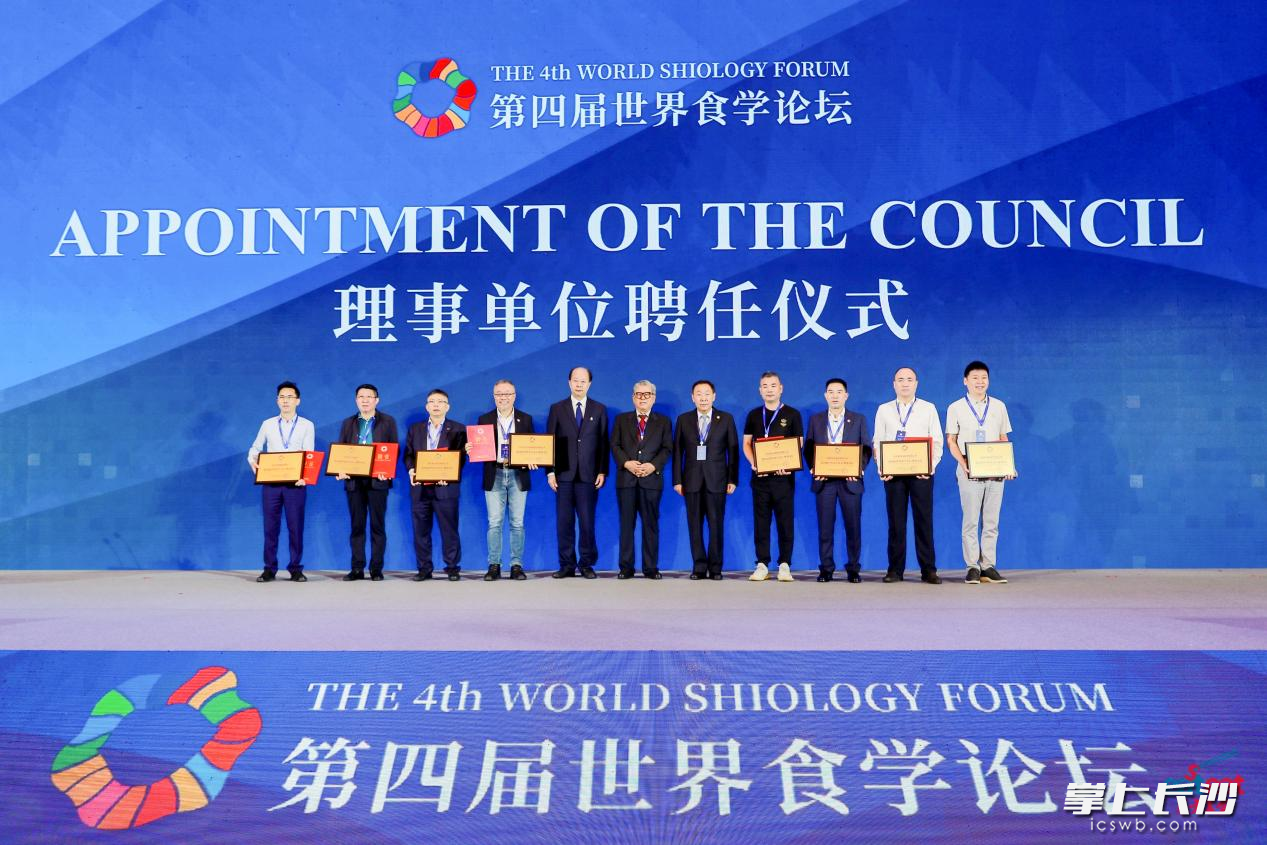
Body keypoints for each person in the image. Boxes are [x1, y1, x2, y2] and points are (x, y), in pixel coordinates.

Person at [945, 361, 1014, 585]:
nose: (980, 382)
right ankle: (972, 566)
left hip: (995, 470)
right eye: (975, 378)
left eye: (984, 378)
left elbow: (1003, 437)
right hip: (969, 470)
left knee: (992, 521)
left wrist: (1009, 465)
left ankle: (988, 566)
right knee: (971, 521)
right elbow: (951, 440)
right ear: (965, 381)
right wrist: (963, 462)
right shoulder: (955, 407)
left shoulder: (999, 406)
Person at [873, 367, 944, 584]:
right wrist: (882, 468)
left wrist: (930, 466)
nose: (905, 383)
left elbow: (937, 440)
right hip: (893, 474)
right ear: (894, 384)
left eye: (909, 379)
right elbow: (878, 441)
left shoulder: (928, 408)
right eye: (901, 380)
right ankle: (895, 570)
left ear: (916, 384)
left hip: (921, 474)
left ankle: (928, 570)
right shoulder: (884, 409)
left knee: (924, 520)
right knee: (896, 522)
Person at [803, 377, 872, 583]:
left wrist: (858, 469)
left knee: (853, 527)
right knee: (825, 528)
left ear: (846, 396)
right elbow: (809, 448)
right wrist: (814, 468)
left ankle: (853, 568)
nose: (835, 396)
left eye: (839, 392)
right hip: (825, 482)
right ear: (825, 396)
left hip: (850, 481)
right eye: (831, 392)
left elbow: (866, 448)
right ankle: (826, 569)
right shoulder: (816, 420)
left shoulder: (858, 419)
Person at [246, 381, 315, 582]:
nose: (286, 401)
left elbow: (309, 453)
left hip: (295, 484)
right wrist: (253, 461)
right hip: (271, 483)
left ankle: (296, 568)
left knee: (296, 527)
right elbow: (255, 448)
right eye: (282, 397)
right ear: (277, 401)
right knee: (270, 527)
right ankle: (269, 569)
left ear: (298, 401)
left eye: (290, 397)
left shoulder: (307, 425)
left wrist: (305, 477)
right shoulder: (267, 424)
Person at [546, 366, 609, 579]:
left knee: (587, 522)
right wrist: (550, 472)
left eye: (583, 381)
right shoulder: (557, 408)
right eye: (575, 380)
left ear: (589, 384)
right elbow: (550, 441)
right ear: (569, 382)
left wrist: (602, 470)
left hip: (589, 475)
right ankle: (566, 565)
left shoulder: (599, 409)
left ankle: (586, 564)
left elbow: (603, 442)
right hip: (563, 475)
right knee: (564, 523)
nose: (579, 384)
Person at [673, 380, 739, 580]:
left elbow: (733, 451)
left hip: (717, 481)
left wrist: (732, 479)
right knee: (694, 525)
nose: (703, 398)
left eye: (707, 394)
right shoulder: (684, 419)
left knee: (716, 525)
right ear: (692, 397)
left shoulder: (725, 419)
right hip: (691, 480)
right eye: (699, 394)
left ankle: (716, 568)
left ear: (714, 396)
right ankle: (699, 567)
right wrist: (677, 480)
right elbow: (678, 452)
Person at [741, 371, 804, 582]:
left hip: (784, 479)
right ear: (760, 390)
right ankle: (762, 564)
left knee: (785, 522)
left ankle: (785, 564)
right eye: (765, 386)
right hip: (760, 479)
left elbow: (799, 443)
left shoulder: (793, 414)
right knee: (761, 522)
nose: (769, 390)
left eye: (773, 385)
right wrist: (754, 462)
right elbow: (746, 443)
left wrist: (789, 463)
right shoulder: (753, 415)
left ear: (781, 388)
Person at [336, 384, 399, 581]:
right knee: (357, 526)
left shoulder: (388, 421)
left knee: (377, 526)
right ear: (356, 400)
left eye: (369, 396)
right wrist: (340, 469)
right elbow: (341, 450)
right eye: (361, 397)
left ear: (376, 400)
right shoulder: (348, 423)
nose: (365, 400)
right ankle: (357, 568)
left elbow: (393, 449)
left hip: (378, 481)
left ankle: (376, 569)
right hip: (354, 481)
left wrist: (387, 471)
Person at [610, 379, 672, 579]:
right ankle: (626, 568)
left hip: (651, 481)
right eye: (639, 394)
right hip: (626, 481)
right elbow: (615, 445)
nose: (642, 398)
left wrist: (653, 465)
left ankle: (650, 568)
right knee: (626, 525)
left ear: (653, 398)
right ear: (633, 397)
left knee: (650, 525)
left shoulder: (663, 422)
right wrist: (626, 463)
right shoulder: (621, 420)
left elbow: (667, 448)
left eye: (647, 394)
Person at [474, 379, 535, 581]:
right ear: (494, 397)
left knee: (517, 523)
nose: (503, 397)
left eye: (507, 394)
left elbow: (533, 446)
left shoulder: (525, 419)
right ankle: (494, 565)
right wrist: (470, 448)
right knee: (494, 523)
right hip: (495, 473)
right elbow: (479, 446)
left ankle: (516, 565)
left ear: (514, 396)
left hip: (518, 473)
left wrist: (533, 459)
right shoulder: (484, 419)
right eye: (499, 394)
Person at [404, 389, 467, 582]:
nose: (436, 405)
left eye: (441, 401)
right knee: (420, 531)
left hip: (446, 487)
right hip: (420, 488)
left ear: (448, 407)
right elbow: (408, 455)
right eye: (432, 401)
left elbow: (460, 458)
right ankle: (424, 568)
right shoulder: (415, 429)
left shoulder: (458, 429)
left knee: (449, 530)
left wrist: (449, 474)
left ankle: (452, 567)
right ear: (427, 406)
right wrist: (411, 470)